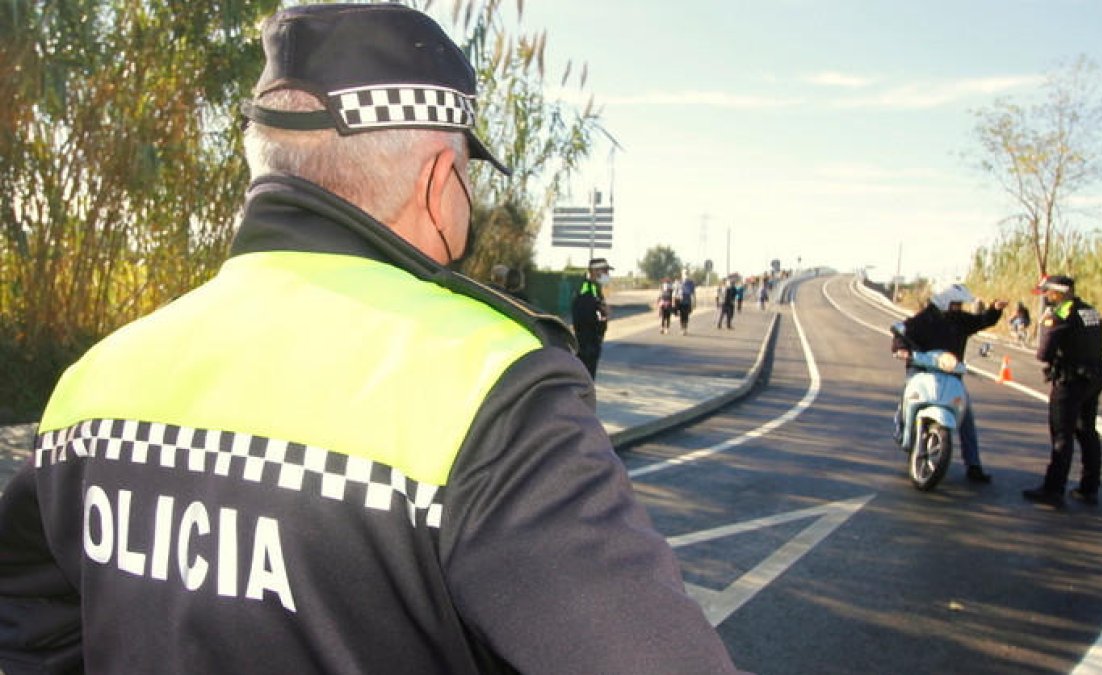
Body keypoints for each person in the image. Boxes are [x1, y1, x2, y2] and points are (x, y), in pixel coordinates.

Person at [0, 6, 741, 674]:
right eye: (469, 177)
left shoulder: (94, 379)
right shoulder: (494, 387)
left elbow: (27, 626)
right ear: (440, 181)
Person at [891, 281, 1007, 483]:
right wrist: (901, 349)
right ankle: (902, 433)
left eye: (959, 304)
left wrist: (994, 310)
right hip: (922, 369)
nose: (959, 308)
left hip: (951, 373)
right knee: (907, 397)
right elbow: (902, 332)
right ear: (945, 301)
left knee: (966, 414)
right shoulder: (924, 319)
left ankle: (973, 464)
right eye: (956, 304)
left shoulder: (960, 320)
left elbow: (981, 321)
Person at [1022, 275, 1102, 508]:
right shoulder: (1091, 311)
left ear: (1058, 293)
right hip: (1094, 378)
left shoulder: (1061, 313)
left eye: (1048, 293)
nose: (1046, 297)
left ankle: (1053, 489)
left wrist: (1045, 325)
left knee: (1062, 435)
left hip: (1070, 381)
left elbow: (1044, 353)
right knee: (1087, 432)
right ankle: (1089, 488)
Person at [571, 257, 612, 378]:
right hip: (587, 343)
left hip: (591, 341)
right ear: (595, 271)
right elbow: (586, 317)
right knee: (585, 377)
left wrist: (602, 312)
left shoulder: (594, 288)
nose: (607, 274)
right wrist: (602, 314)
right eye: (605, 271)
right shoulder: (587, 289)